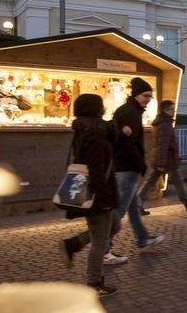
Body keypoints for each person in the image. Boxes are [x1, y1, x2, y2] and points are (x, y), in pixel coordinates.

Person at [59, 94, 120, 296]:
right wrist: (103, 199)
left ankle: (73, 243)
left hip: (101, 191)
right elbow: (95, 170)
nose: (104, 109)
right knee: (100, 240)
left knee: (114, 226)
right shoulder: (94, 135)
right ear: (95, 110)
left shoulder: (86, 131)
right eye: (101, 106)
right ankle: (94, 282)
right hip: (98, 194)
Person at [111, 77, 165, 255]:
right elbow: (129, 143)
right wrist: (139, 164)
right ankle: (104, 247)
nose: (148, 99)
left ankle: (143, 238)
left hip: (126, 166)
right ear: (136, 95)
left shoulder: (130, 111)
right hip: (127, 167)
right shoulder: (130, 113)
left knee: (133, 207)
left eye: (150, 96)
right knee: (120, 210)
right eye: (145, 95)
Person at [138, 100, 187, 213]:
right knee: (155, 182)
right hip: (167, 159)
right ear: (166, 110)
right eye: (172, 109)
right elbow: (162, 145)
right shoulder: (164, 124)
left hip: (167, 159)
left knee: (164, 181)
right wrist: (161, 164)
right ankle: (136, 204)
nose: (174, 111)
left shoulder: (163, 122)